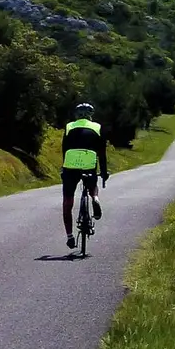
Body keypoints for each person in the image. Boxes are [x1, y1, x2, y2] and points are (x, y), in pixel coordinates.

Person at [60, 102, 108, 249]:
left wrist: (64, 168)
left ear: (76, 115)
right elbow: (102, 153)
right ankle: (95, 198)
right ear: (90, 115)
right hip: (89, 163)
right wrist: (104, 172)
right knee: (92, 185)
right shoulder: (97, 127)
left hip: (71, 164)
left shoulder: (69, 127)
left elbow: (64, 149)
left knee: (67, 202)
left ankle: (69, 236)